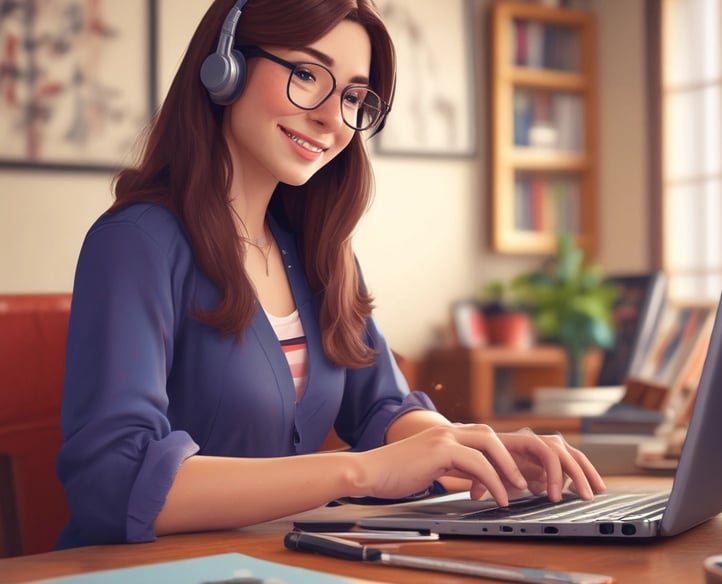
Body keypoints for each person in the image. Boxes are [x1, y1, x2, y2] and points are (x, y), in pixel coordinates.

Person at [56, 0, 606, 549]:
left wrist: (469, 447)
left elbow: (381, 407)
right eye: (306, 74)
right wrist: (360, 471)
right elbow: (114, 481)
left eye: (351, 96)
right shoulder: (137, 243)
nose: (330, 117)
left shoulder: (318, 251)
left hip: (279, 563)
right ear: (224, 68)